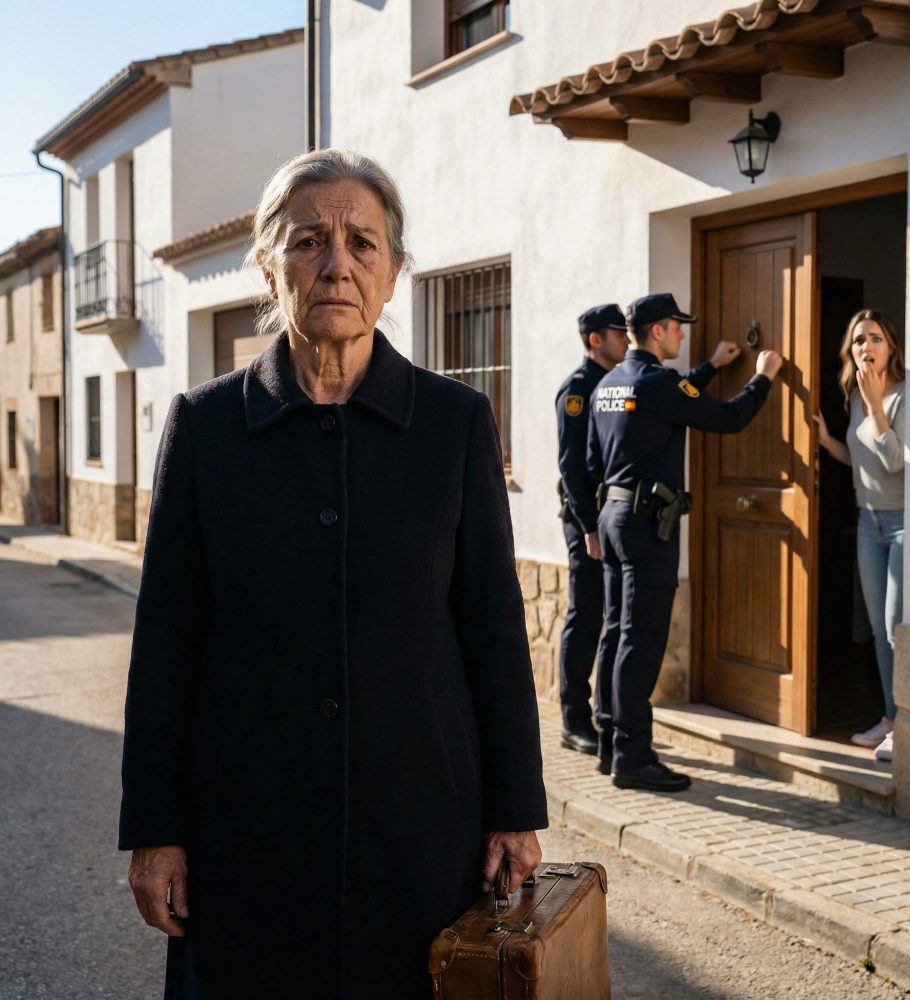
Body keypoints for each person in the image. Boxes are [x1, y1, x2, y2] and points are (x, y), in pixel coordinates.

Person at [119, 149, 547, 999]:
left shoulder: (454, 423)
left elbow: (494, 630)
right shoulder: (206, 427)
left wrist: (515, 807)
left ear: (392, 272)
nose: (337, 264)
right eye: (309, 240)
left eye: (362, 242)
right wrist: (155, 829)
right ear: (268, 266)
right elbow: (166, 640)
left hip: (421, 823)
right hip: (244, 825)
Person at [587, 293, 783, 792]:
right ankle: (633, 757)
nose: (682, 334)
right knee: (640, 639)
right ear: (658, 331)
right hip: (646, 524)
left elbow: (594, 459)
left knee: (617, 632)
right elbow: (728, 418)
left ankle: (610, 743)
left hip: (612, 515)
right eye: (677, 327)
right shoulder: (657, 383)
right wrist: (763, 377)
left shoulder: (608, 383)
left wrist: (711, 366)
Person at [813, 308, 905, 762]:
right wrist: (828, 442)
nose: (865, 347)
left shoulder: (905, 396)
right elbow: (862, 459)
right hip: (868, 521)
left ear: (891, 347)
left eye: (874, 338)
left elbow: (896, 462)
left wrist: (876, 409)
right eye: (858, 340)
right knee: (876, 630)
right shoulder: (853, 398)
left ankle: (907, 725)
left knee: (894, 627)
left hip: (905, 522)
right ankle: (890, 719)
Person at [555, 304, 630, 755]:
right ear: (595, 340)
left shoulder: (613, 385)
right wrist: (588, 527)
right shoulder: (578, 390)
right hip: (586, 522)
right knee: (585, 617)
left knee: (605, 619)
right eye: (619, 334)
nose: (627, 340)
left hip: (605, 520)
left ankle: (605, 716)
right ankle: (573, 721)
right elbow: (571, 466)